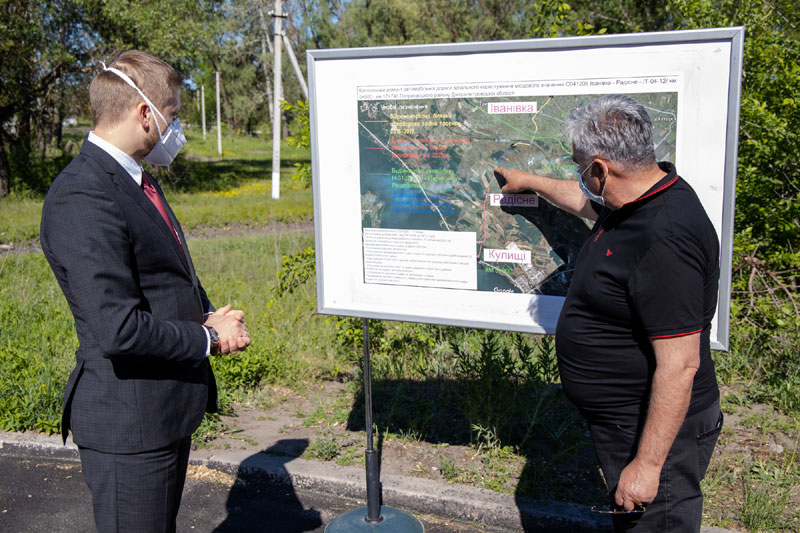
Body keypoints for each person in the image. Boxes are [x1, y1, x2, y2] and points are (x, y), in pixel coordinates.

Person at [40, 50, 251, 533]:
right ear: (144, 114)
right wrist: (209, 339)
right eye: (172, 115)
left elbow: (164, 275)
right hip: (127, 426)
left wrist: (206, 315)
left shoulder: (134, 180)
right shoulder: (84, 194)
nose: (176, 129)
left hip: (162, 412)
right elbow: (117, 328)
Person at [494, 94, 723, 532]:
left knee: (656, 525)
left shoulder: (666, 238)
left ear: (600, 169)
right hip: (627, 422)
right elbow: (585, 203)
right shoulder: (637, 197)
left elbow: (681, 365)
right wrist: (531, 181)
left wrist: (648, 466)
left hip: (656, 434)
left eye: (581, 168)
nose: (579, 178)